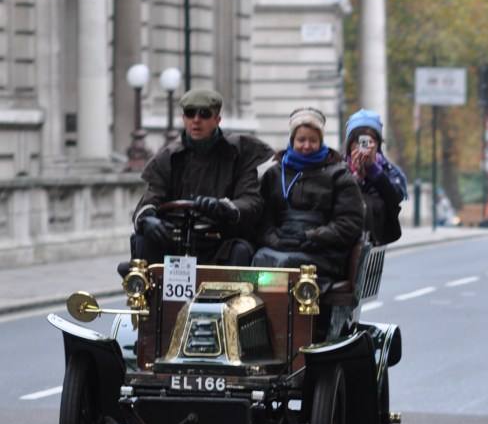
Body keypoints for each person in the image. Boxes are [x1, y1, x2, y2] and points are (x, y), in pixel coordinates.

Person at [132, 88, 274, 266]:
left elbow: (251, 200)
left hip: (221, 242)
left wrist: (226, 207)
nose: (196, 120)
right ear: (184, 119)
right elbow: (151, 198)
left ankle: (232, 295)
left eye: (204, 114)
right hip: (175, 243)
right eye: (190, 114)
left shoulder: (239, 153)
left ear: (217, 120)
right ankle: (147, 293)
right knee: (142, 241)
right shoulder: (168, 158)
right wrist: (147, 219)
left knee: (240, 250)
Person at [252, 107, 365, 282]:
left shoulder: (339, 175)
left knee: (287, 264)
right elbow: (262, 216)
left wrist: (312, 236)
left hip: (324, 253)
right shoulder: (274, 174)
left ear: (321, 141)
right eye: (301, 140)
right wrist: (274, 239)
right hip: (281, 245)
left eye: (313, 140)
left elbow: (350, 222)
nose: (307, 146)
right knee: (259, 260)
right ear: (292, 140)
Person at [343, 109, 408, 245]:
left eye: (369, 141)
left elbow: (395, 198)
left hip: (375, 239)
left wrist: (373, 169)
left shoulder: (387, 169)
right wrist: (357, 179)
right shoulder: (339, 167)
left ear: (377, 144)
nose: (363, 147)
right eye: (359, 140)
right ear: (349, 143)